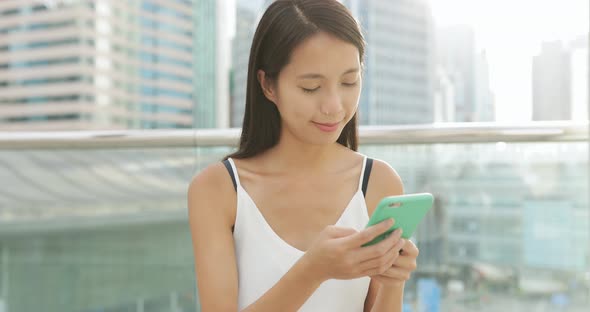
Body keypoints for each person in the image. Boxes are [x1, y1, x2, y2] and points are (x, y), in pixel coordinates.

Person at [187, 0, 419, 311]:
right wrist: (312, 270)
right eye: (311, 87)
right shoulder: (218, 190)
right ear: (268, 85)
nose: (334, 106)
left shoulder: (378, 183)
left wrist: (393, 282)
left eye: (349, 81)